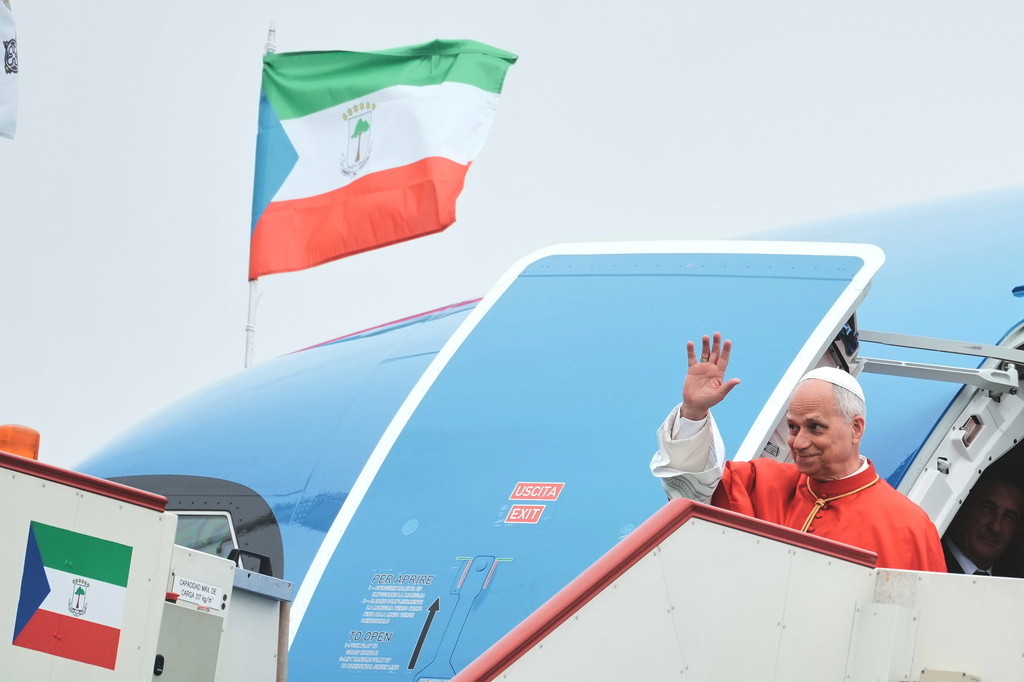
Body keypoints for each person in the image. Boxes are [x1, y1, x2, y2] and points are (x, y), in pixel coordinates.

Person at [650, 332, 946, 572]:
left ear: (856, 428)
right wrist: (694, 411)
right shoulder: (761, 484)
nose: (799, 442)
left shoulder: (908, 527)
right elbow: (693, 494)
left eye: (815, 427)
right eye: (793, 427)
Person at [943, 472, 1023, 575]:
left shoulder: (1015, 581)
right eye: (987, 508)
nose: (995, 527)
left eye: (1008, 516)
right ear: (960, 508)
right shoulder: (926, 565)